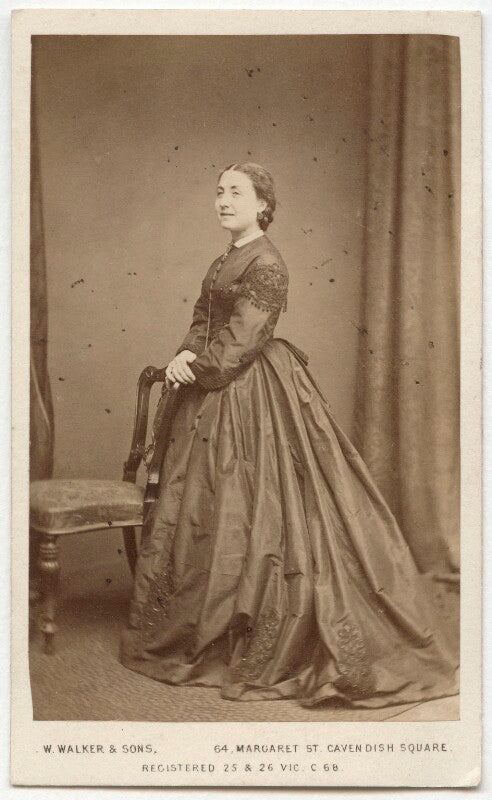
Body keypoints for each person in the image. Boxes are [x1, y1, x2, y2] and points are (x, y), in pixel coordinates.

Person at [120, 162, 458, 708]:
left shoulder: (267, 262)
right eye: (219, 191)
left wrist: (195, 368)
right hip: (213, 385)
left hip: (247, 388)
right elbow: (203, 318)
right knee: (208, 507)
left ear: (262, 205)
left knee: (254, 506)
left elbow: (242, 341)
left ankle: (247, 621)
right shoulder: (224, 258)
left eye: (236, 193)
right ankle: (203, 616)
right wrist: (183, 353)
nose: (223, 200)